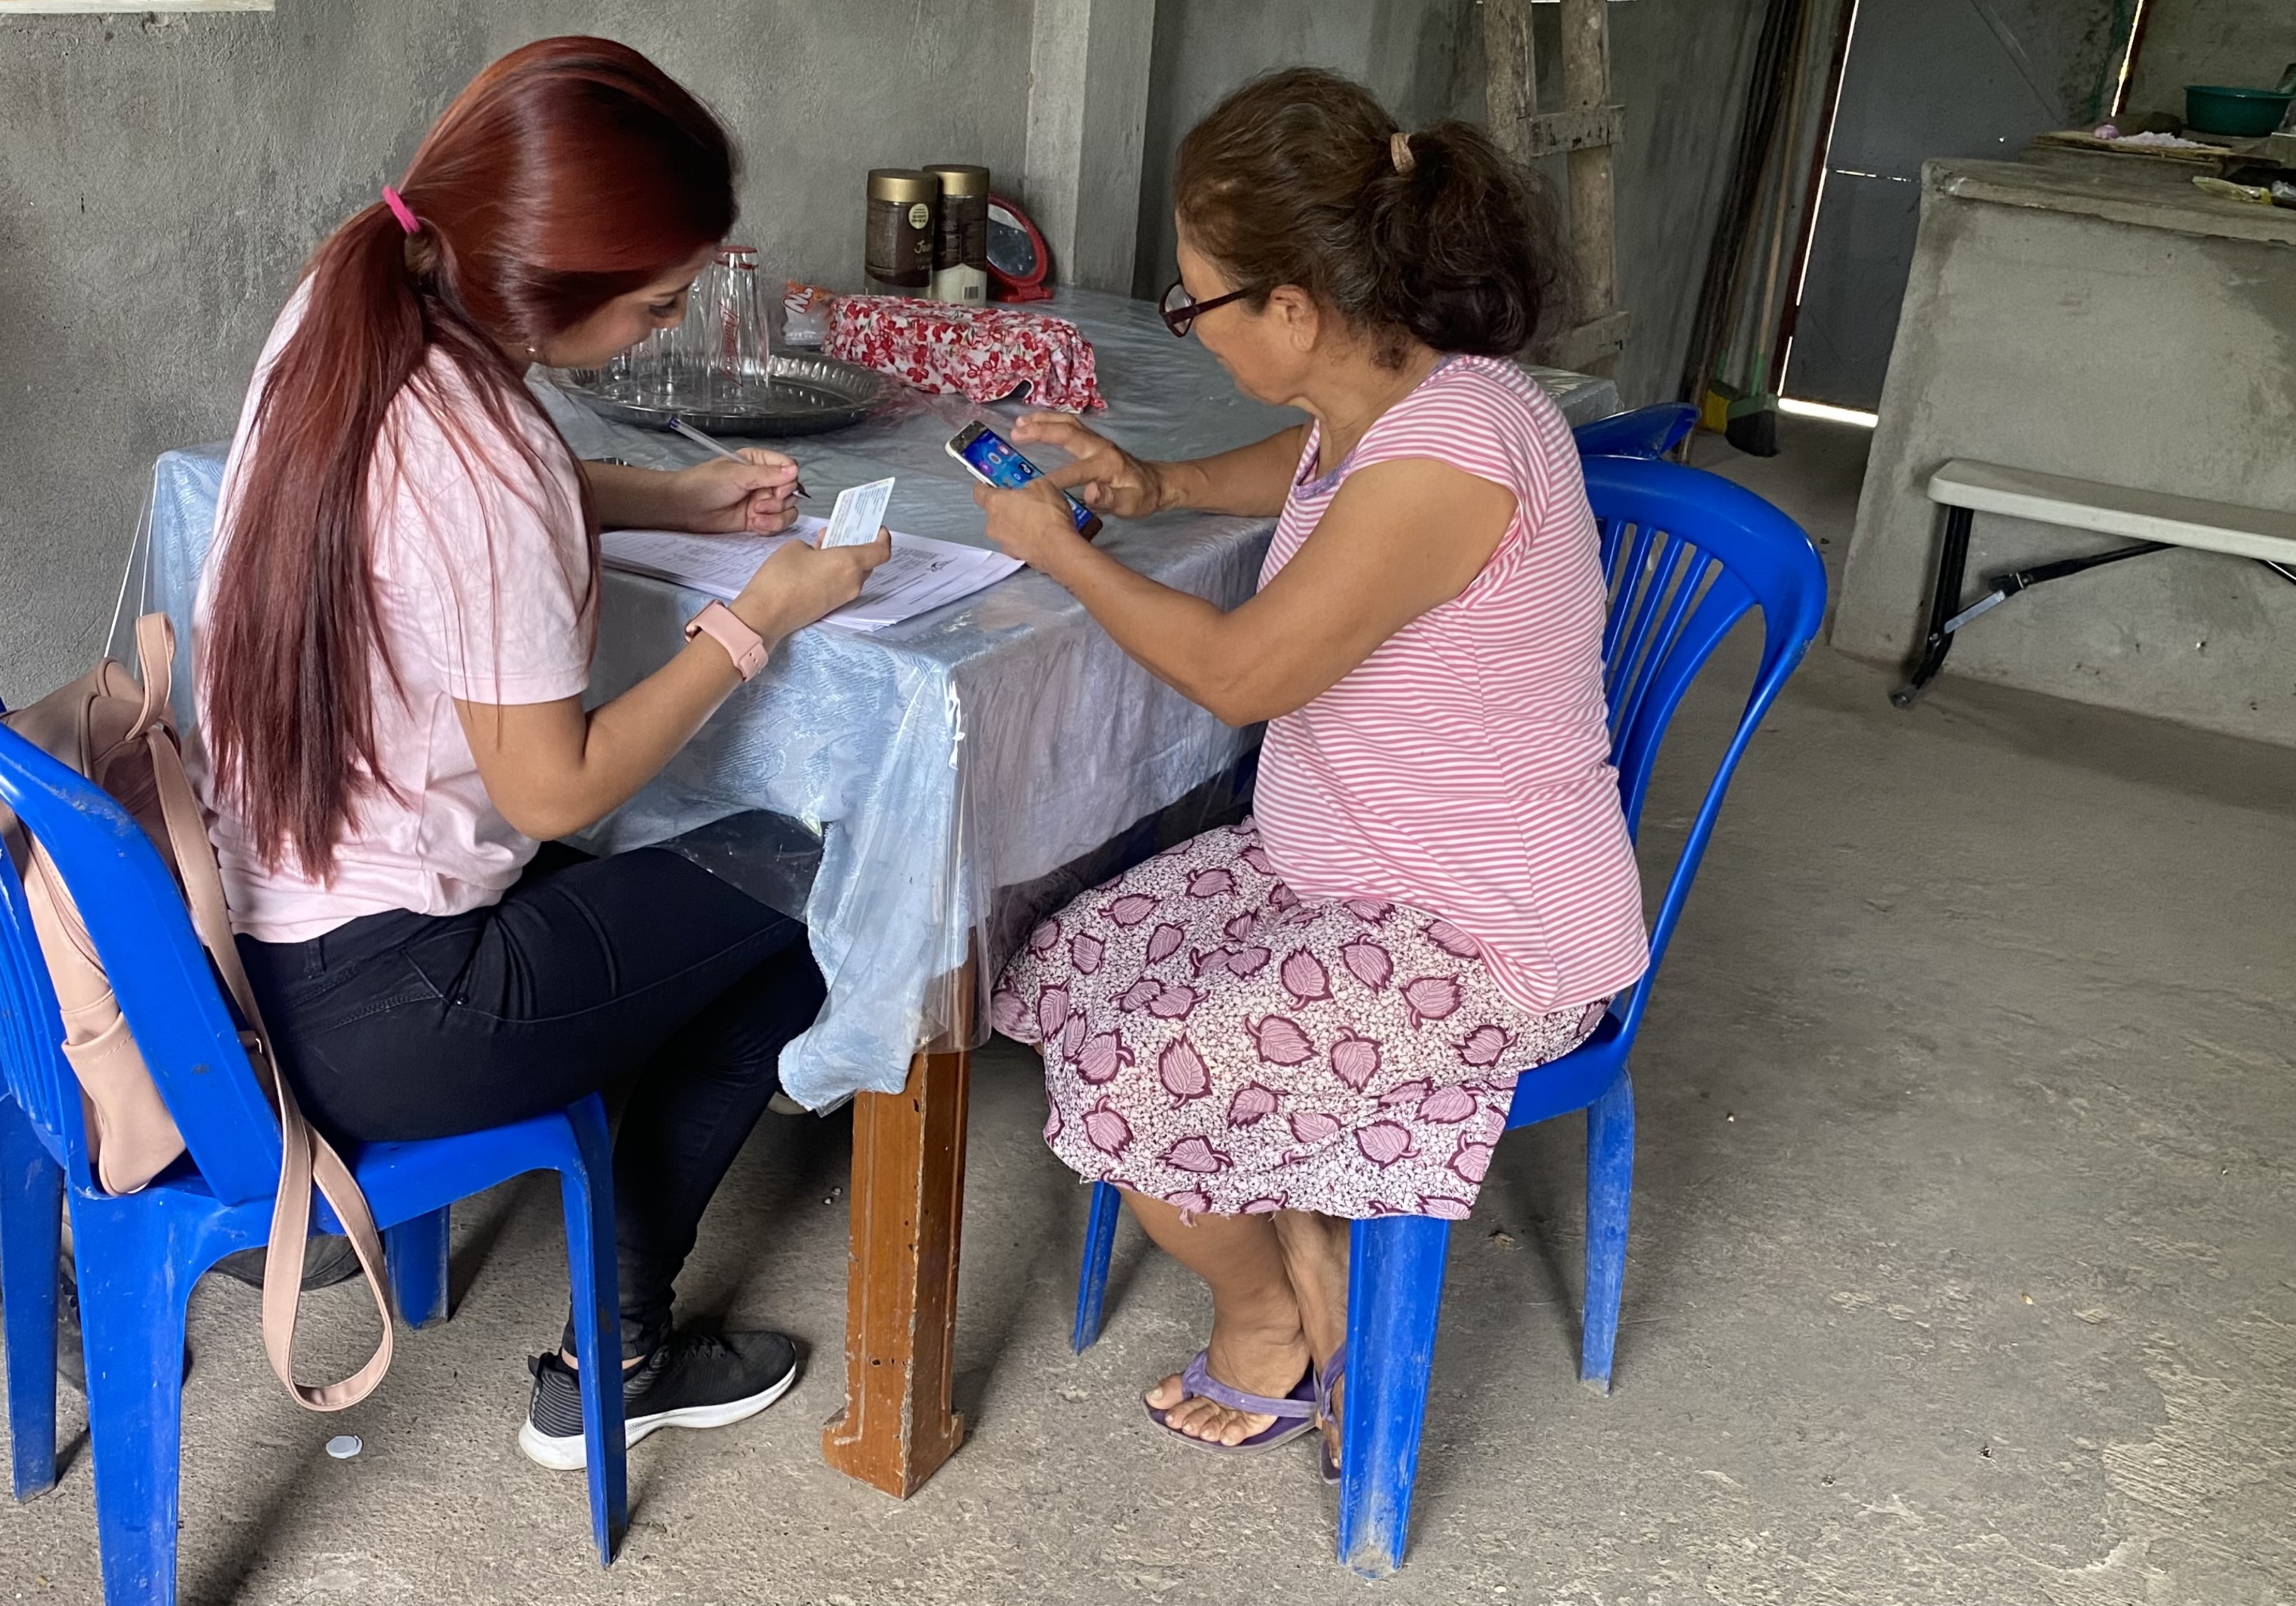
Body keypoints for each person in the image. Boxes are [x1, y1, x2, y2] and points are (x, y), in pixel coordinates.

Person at [191, 38, 886, 1471]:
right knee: (819, 883)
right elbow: (552, 785)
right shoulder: (491, 455)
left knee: (682, 878)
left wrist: (674, 497)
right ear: (541, 286)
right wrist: (758, 618)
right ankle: (616, 1352)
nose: (660, 330)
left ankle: (611, 1231)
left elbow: (447, 506)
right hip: (397, 1012)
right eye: (655, 305)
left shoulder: (351, 299)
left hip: (250, 951)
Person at [979, 69, 1650, 1463]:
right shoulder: (1392, 393)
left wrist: (1059, 552)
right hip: (1339, 872)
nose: (1190, 325)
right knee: (1066, 964)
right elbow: (1315, 457)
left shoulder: (1454, 453)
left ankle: (1270, 1320)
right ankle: (1307, 1236)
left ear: (1292, 309)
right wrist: (1156, 484)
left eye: (1195, 304)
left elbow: (1243, 676)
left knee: (1133, 1075)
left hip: (1487, 933)